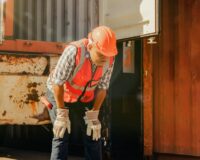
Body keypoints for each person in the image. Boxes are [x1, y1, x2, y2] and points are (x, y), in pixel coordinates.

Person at [46, 25, 118, 160]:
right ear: (90, 47)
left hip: (85, 97)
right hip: (61, 93)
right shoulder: (74, 51)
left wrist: (94, 115)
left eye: (108, 55)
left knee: (93, 132)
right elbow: (58, 83)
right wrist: (61, 114)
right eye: (101, 54)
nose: (105, 59)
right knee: (61, 133)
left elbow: (102, 88)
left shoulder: (110, 58)